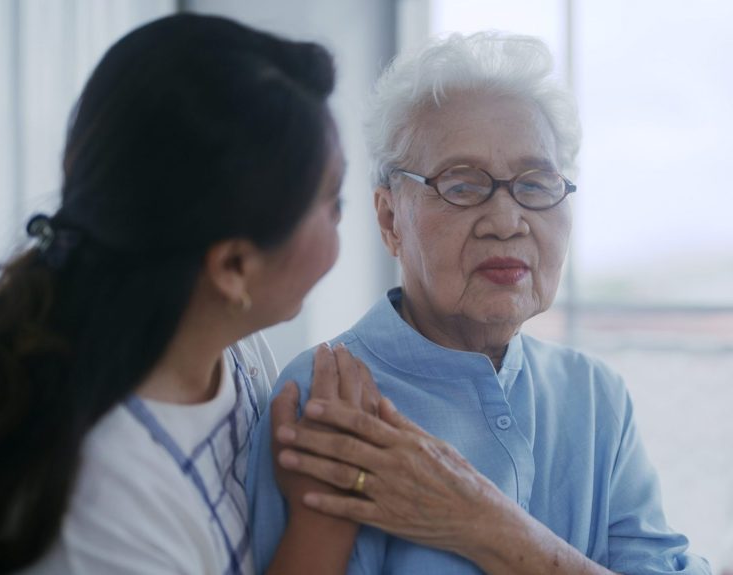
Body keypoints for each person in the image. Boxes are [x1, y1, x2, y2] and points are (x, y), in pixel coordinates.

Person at [247, 31, 711, 574]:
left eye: (536, 184)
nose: (507, 221)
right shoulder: (328, 394)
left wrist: (484, 524)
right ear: (390, 218)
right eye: (462, 186)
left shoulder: (593, 395)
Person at [0, 13, 368, 574]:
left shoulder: (223, 344)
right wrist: (327, 516)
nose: (343, 218)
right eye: (332, 201)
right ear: (232, 265)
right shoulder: (100, 513)